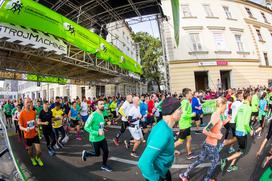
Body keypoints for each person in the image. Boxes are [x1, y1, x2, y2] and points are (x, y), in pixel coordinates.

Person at [179, 97, 230, 181]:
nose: (226, 107)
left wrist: (228, 118)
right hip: (211, 145)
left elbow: (220, 123)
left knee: (200, 160)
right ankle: (206, 178)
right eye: (225, 106)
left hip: (207, 144)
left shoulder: (218, 114)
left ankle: (184, 174)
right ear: (221, 105)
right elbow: (205, 130)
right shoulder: (216, 116)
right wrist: (216, 136)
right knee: (215, 161)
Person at [138, 97, 182, 181]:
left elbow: (161, 146)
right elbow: (143, 163)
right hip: (157, 174)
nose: (182, 111)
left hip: (163, 170)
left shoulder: (164, 125)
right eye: (179, 109)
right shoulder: (163, 132)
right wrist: (156, 179)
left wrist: (171, 151)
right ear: (171, 111)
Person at [221, 91, 254, 173]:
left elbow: (235, 118)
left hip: (237, 130)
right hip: (242, 131)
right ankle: (225, 159)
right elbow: (246, 123)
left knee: (239, 149)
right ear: (249, 97)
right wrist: (250, 131)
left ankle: (231, 166)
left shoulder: (241, 106)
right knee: (242, 151)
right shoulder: (249, 108)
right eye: (251, 96)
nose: (252, 97)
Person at [81, 99, 112, 172]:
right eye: (101, 104)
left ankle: (104, 165)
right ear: (96, 106)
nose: (103, 105)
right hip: (94, 138)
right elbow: (86, 127)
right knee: (97, 154)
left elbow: (105, 118)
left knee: (106, 151)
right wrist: (97, 133)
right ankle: (86, 153)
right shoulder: (93, 115)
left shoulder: (103, 112)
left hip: (102, 137)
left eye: (103, 104)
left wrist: (108, 122)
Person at [19, 98, 44, 166]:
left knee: (39, 151)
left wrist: (36, 126)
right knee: (30, 151)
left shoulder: (33, 112)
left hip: (34, 134)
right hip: (27, 136)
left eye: (30, 102)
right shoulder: (21, 114)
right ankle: (32, 158)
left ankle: (37, 158)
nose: (29, 103)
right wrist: (25, 129)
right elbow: (20, 126)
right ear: (24, 103)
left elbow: (34, 122)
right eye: (27, 102)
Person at [175, 88, 197, 159]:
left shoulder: (185, 101)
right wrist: (192, 115)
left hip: (186, 124)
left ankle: (189, 153)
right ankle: (167, 151)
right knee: (180, 141)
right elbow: (184, 115)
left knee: (189, 139)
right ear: (187, 94)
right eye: (191, 93)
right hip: (184, 125)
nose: (192, 95)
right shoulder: (186, 102)